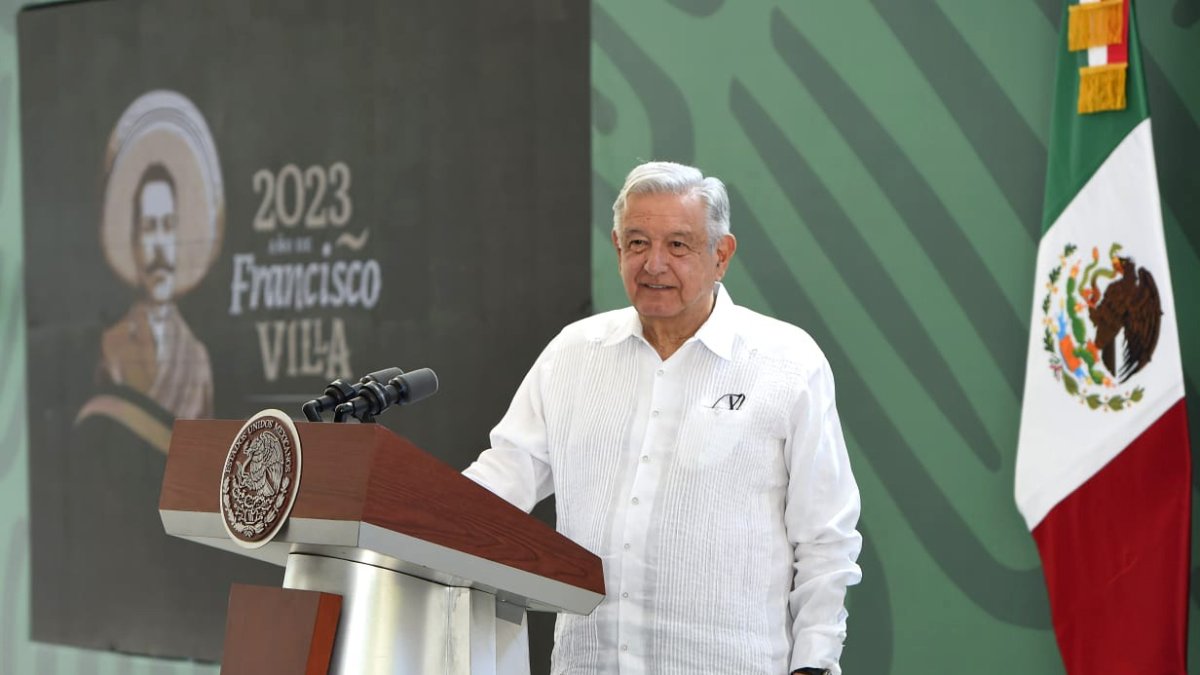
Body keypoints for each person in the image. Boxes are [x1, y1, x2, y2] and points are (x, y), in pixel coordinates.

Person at [464, 161, 862, 674]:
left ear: (721, 255)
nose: (653, 264)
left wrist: (814, 663)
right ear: (616, 248)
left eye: (678, 245)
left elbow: (826, 539)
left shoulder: (787, 363)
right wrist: (407, 517)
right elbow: (497, 487)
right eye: (636, 243)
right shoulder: (573, 354)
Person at [97, 162, 214, 420]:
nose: (161, 246)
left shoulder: (197, 359)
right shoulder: (112, 348)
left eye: (169, 226)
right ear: (134, 242)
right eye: (150, 228)